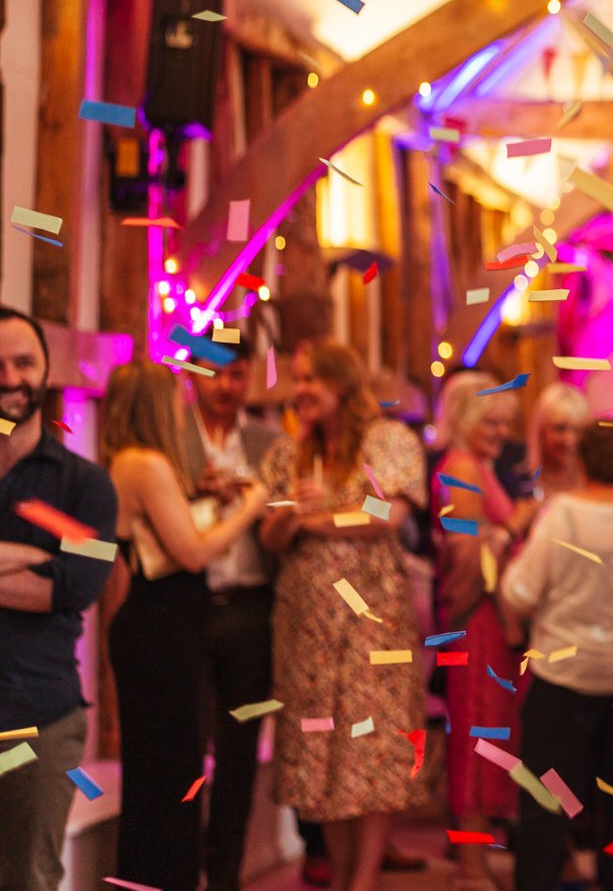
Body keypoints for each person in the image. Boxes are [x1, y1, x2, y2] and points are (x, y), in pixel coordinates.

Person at [259, 343, 428, 891]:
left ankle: (364, 878)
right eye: (297, 379)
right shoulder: (289, 454)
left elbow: (387, 514)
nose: (300, 390)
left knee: (371, 745)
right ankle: (340, 874)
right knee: (322, 751)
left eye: (311, 379)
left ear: (341, 384)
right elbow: (271, 536)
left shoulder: (389, 442)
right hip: (306, 623)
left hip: (370, 620)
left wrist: (315, 516)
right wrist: (291, 517)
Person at [102, 359, 271, 891]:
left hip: (155, 629)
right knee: (170, 777)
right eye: (175, 398)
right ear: (157, 404)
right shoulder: (147, 464)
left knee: (163, 773)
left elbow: (167, 537)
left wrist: (208, 501)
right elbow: (193, 554)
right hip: (160, 633)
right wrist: (250, 506)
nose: (183, 407)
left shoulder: (128, 461)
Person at [502, 422, 613, 889]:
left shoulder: (564, 514)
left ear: (581, 461)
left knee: (548, 802)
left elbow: (519, 591)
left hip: (567, 677)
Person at [0, 307, 118, 891]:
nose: (11, 376)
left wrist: (55, 575)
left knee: (27, 880)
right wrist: (30, 555)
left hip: (39, 722)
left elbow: (79, 586)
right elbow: (56, 578)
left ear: (47, 371)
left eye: (24, 362)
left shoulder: (86, 485)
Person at [182, 351, 290, 891]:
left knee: (240, 749)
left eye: (236, 374)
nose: (225, 385)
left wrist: (267, 506)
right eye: (213, 372)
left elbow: (288, 523)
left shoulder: (269, 443)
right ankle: (182, 863)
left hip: (251, 608)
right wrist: (194, 491)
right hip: (189, 605)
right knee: (186, 742)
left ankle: (224, 875)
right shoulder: (174, 437)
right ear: (192, 375)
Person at [431, 372, 530, 891]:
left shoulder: (480, 467)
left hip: (494, 625)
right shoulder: (461, 469)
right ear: (466, 420)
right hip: (476, 625)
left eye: (505, 423)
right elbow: (466, 559)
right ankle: (469, 868)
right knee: (476, 739)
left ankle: (478, 859)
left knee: (490, 738)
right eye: (490, 421)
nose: (499, 431)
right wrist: (515, 526)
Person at [525, 383, 588, 500]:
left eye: (577, 430)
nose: (569, 440)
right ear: (541, 431)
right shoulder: (522, 481)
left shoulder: (594, 479)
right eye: (559, 428)